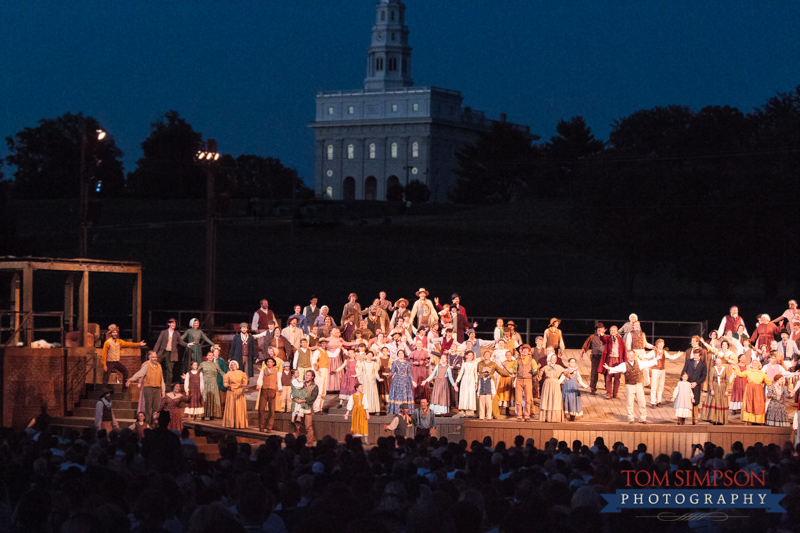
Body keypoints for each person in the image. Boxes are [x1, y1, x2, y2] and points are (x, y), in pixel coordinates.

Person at [604, 349, 658, 424]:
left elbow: (648, 363)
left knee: (642, 402)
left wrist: (656, 359)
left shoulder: (639, 363)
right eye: (630, 355)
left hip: (638, 385)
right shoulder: (624, 365)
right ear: (627, 356)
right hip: (629, 385)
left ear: (635, 356)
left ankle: (643, 418)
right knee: (629, 403)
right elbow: (617, 369)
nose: (631, 357)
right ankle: (630, 418)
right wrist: (609, 368)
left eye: (632, 355)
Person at [127, 351, 166, 425]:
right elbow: (139, 374)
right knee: (148, 406)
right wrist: (130, 379)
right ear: (150, 358)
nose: (155, 359)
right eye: (153, 357)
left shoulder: (159, 366)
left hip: (157, 389)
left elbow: (162, 379)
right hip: (148, 388)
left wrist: (163, 390)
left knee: (156, 407)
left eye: (156, 357)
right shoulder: (146, 366)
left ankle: (154, 422)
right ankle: (147, 422)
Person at [731, 360, 771, 425]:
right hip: (749, 389)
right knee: (749, 403)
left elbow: (768, 382)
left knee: (758, 404)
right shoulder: (748, 371)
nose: (755, 364)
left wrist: (776, 381)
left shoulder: (762, 373)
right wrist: (735, 368)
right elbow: (740, 374)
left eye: (756, 363)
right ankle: (749, 419)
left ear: (759, 365)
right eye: (753, 363)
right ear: (751, 365)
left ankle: (758, 420)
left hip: (758, 390)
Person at [153, 318, 187, 385]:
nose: (174, 324)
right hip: (163, 352)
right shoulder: (163, 332)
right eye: (172, 323)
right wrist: (154, 352)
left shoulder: (176, 333)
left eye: (174, 323)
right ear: (169, 324)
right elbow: (158, 342)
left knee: (170, 370)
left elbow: (180, 341)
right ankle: (154, 382)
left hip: (171, 354)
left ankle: (168, 387)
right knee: (154, 364)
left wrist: (187, 344)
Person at [648, 339, 682, 407]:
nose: (661, 345)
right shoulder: (653, 352)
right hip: (655, 370)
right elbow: (646, 357)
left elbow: (671, 357)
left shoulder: (664, 352)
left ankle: (659, 401)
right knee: (654, 385)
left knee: (661, 386)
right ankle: (653, 401)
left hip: (662, 370)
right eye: (660, 344)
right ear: (657, 344)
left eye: (662, 344)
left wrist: (677, 355)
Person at [680, 345, 708, 424]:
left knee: (695, 402)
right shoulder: (689, 362)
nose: (695, 357)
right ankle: (682, 419)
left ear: (700, 356)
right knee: (685, 401)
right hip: (687, 384)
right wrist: (683, 381)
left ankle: (695, 419)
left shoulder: (703, 364)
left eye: (697, 355)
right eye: (694, 355)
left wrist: (696, 383)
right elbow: (684, 371)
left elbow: (703, 376)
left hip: (696, 385)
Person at [598, 325, 626, 399]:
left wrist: (625, 361)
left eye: (614, 330)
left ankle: (615, 394)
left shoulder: (620, 340)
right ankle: (608, 394)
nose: (613, 332)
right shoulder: (608, 338)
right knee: (608, 377)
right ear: (610, 332)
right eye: (611, 330)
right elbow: (602, 339)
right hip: (610, 359)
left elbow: (624, 351)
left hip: (618, 360)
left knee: (617, 377)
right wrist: (601, 333)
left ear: (617, 332)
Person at [702, 355, 731, 425]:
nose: (718, 363)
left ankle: (721, 420)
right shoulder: (712, 369)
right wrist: (711, 389)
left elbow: (727, 380)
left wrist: (727, 390)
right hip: (715, 387)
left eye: (719, 361)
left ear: (722, 362)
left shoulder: (725, 369)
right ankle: (713, 419)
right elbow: (710, 380)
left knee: (721, 402)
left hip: (722, 388)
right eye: (717, 361)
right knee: (714, 402)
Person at [256, 357, 281, 432]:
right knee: (261, 409)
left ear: (273, 363)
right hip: (264, 391)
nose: (269, 363)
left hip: (272, 391)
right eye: (268, 362)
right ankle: (261, 426)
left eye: (271, 362)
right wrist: (259, 385)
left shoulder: (277, 372)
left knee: (272, 411)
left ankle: (269, 427)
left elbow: (278, 381)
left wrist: (280, 389)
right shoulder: (263, 371)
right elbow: (260, 379)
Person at [538, 353, 566, 422]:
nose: (554, 360)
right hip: (547, 384)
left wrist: (571, 371)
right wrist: (537, 370)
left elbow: (566, 372)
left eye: (555, 358)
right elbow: (539, 375)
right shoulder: (545, 367)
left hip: (555, 384)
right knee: (547, 399)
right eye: (552, 358)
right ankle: (545, 417)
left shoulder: (559, 367)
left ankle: (555, 418)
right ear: (549, 359)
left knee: (555, 399)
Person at [198, 351, 225, 420]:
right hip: (205, 382)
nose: (210, 357)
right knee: (205, 397)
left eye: (212, 355)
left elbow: (221, 372)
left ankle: (211, 415)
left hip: (213, 383)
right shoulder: (203, 364)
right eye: (209, 355)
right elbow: (197, 372)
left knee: (212, 398)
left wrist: (230, 376)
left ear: (213, 357)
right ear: (207, 356)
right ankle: (203, 414)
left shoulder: (215, 365)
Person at [293, 370, 319, 444]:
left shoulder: (315, 387)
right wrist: (296, 399)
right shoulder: (301, 384)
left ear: (312, 377)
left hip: (308, 408)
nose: (307, 376)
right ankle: (296, 443)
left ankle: (309, 444)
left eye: (308, 375)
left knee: (308, 427)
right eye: (306, 375)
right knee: (297, 425)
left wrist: (302, 400)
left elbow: (312, 398)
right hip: (299, 407)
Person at [222, 360, 249, 429]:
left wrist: (244, 384)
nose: (232, 366)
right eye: (231, 365)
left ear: (237, 366)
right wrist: (228, 386)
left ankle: (239, 423)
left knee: (239, 407)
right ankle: (230, 423)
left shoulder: (241, 373)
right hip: (231, 392)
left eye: (234, 364)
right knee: (231, 407)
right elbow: (225, 382)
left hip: (239, 392)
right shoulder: (228, 374)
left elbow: (245, 381)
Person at [580, 323, 606, 394]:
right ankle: (592, 387)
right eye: (598, 328)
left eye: (600, 328)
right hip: (595, 356)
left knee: (606, 371)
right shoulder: (592, 336)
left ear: (604, 329)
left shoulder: (607, 337)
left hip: (604, 357)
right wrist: (582, 352)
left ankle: (607, 387)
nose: (599, 329)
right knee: (594, 372)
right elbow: (586, 344)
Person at [515, 344, 538, 421]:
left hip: (528, 380)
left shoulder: (532, 360)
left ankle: (527, 415)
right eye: (523, 350)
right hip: (519, 380)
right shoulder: (517, 360)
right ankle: (519, 415)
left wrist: (535, 370)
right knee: (518, 399)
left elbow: (534, 370)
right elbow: (514, 369)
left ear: (529, 352)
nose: (525, 352)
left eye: (526, 350)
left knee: (528, 399)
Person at [387, 350, 415, 414]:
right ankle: (396, 411)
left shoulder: (407, 363)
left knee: (405, 394)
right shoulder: (395, 362)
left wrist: (412, 380)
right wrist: (387, 374)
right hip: (397, 380)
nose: (400, 355)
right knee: (397, 395)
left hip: (405, 381)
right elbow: (392, 371)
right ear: (397, 355)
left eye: (402, 353)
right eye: (399, 354)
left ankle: (406, 411)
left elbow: (409, 373)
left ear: (404, 354)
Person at [455, 350, 478, 416]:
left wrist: (476, 382)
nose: (470, 356)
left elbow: (475, 373)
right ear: (466, 356)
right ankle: (464, 410)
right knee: (464, 394)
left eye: (471, 355)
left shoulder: (475, 363)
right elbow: (461, 373)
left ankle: (470, 411)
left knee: (471, 394)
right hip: (465, 380)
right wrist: (457, 381)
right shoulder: (464, 364)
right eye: (469, 355)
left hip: (472, 380)